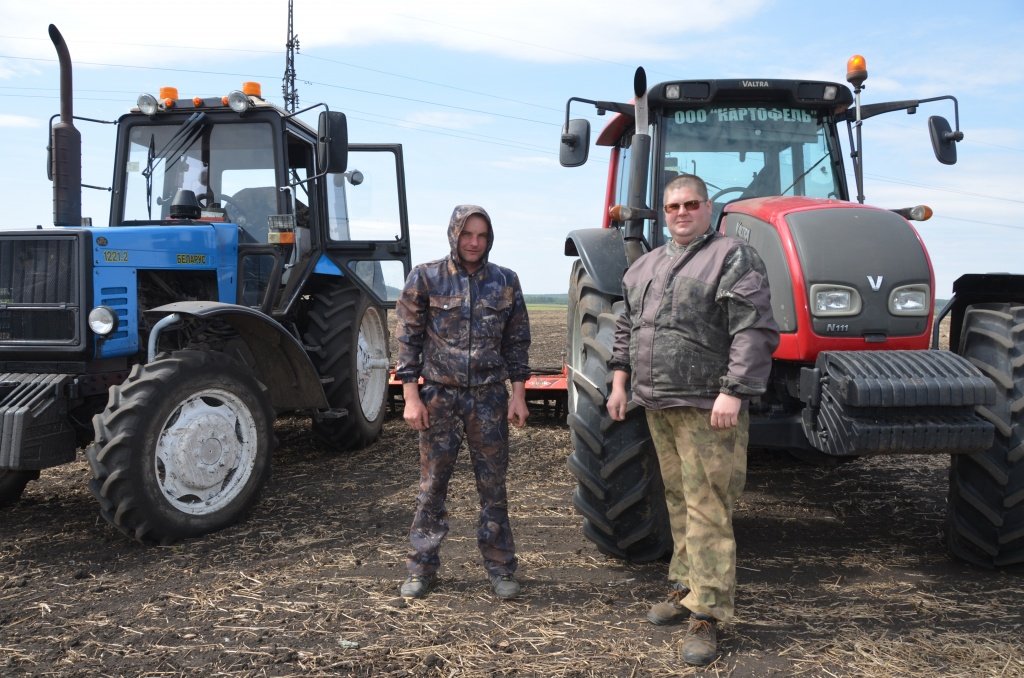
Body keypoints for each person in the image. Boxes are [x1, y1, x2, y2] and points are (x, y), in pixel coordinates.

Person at [606, 174, 779, 666]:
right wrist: (619, 384)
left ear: (708, 208)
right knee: (679, 497)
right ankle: (686, 586)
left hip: (708, 405)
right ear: (664, 213)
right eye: (673, 206)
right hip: (658, 403)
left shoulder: (732, 257)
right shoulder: (645, 265)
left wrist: (733, 391)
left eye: (691, 204)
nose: (681, 213)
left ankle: (708, 611)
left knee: (708, 505)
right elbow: (627, 328)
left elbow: (752, 328)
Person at [395, 204, 531, 601]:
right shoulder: (426, 277)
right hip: (440, 397)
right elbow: (408, 341)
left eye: (482, 235)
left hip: (489, 399)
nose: (474, 242)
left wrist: (518, 395)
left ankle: (501, 568)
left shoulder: (505, 281)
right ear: (454, 234)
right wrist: (411, 398)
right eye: (467, 234)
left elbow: (517, 343)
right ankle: (421, 568)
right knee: (432, 487)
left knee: (493, 488)